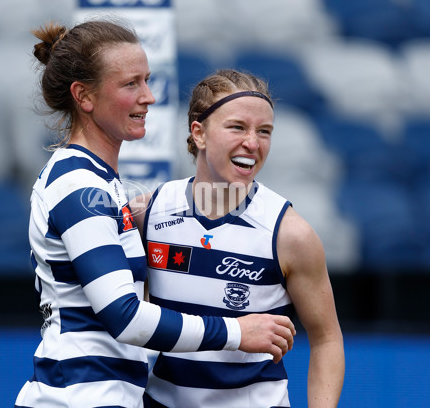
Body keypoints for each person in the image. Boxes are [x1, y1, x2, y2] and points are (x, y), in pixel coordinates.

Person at [14, 20, 297, 408]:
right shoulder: (79, 184)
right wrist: (236, 332)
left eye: (147, 80)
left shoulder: (100, 183)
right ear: (84, 96)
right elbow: (125, 317)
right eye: (131, 84)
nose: (148, 95)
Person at [133, 69, 345, 407]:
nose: (253, 143)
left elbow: (327, 339)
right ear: (198, 133)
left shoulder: (290, 234)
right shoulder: (149, 213)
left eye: (264, 131)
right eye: (237, 127)